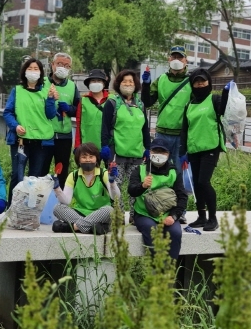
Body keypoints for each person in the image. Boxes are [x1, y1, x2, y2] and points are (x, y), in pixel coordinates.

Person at [180, 69, 230, 232]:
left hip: (211, 147)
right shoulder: (189, 105)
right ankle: (201, 217)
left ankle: (213, 218)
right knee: (196, 184)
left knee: (203, 181)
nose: (200, 84)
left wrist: (226, 93)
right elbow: (185, 128)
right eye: (196, 81)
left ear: (209, 82)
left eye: (203, 81)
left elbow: (225, 110)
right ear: (192, 84)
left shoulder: (214, 99)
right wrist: (183, 149)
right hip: (194, 148)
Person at [101, 69, 151, 221]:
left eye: (131, 81)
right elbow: (105, 127)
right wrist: (104, 147)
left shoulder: (140, 104)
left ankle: (136, 216)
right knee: (115, 185)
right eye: (124, 81)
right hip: (117, 153)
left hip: (137, 154)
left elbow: (145, 128)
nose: (128, 84)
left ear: (135, 84)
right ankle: (119, 216)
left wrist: (148, 148)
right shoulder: (112, 103)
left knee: (135, 186)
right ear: (118, 84)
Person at [3, 58, 57, 194]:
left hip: (40, 142)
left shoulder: (47, 90)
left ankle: (30, 210)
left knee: (35, 176)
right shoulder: (17, 91)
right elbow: (8, 112)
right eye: (30, 68)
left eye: (36, 69)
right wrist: (15, 126)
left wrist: (51, 99)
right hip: (20, 140)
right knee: (17, 175)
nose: (33, 72)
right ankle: (12, 208)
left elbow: (51, 115)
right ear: (24, 72)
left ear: (41, 73)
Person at [128, 137, 187, 260]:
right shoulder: (140, 169)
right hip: (144, 214)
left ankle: (169, 272)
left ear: (168, 154)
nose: (159, 155)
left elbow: (182, 197)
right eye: (155, 151)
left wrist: (174, 216)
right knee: (151, 230)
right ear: (150, 152)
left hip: (167, 214)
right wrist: (142, 186)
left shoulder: (174, 172)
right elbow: (131, 191)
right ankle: (155, 269)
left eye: (163, 152)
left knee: (175, 233)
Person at [141, 45, 192, 171]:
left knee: (180, 170)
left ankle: (180, 191)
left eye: (180, 57)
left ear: (186, 61)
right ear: (169, 59)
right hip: (162, 134)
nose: (176, 60)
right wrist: (146, 85)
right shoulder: (161, 80)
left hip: (182, 134)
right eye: (174, 57)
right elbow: (147, 102)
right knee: (159, 167)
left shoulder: (191, 81)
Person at [51, 142, 120, 235]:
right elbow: (66, 201)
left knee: (109, 210)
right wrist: (57, 189)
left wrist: (112, 183)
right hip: (81, 212)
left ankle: (72, 227)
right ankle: (95, 227)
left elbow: (116, 197)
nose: (88, 160)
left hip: (101, 214)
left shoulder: (103, 173)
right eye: (84, 157)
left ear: (96, 159)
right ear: (78, 160)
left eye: (91, 157)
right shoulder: (73, 176)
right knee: (57, 208)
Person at [42, 52, 80, 189]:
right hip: (45, 134)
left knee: (62, 170)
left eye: (66, 66)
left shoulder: (72, 86)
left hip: (64, 135)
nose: (62, 68)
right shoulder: (42, 83)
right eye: (59, 64)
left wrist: (70, 109)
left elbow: (78, 109)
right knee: (42, 169)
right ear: (52, 65)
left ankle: (60, 202)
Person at [74, 69, 109, 151]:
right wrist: (77, 145)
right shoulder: (83, 101)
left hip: (108, 146)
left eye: (99, 81)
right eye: (93, 81)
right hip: (88, 146)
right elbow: (78, 124)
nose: (96, 83)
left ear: (104, 84)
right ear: (89, 84)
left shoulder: (112, 100)